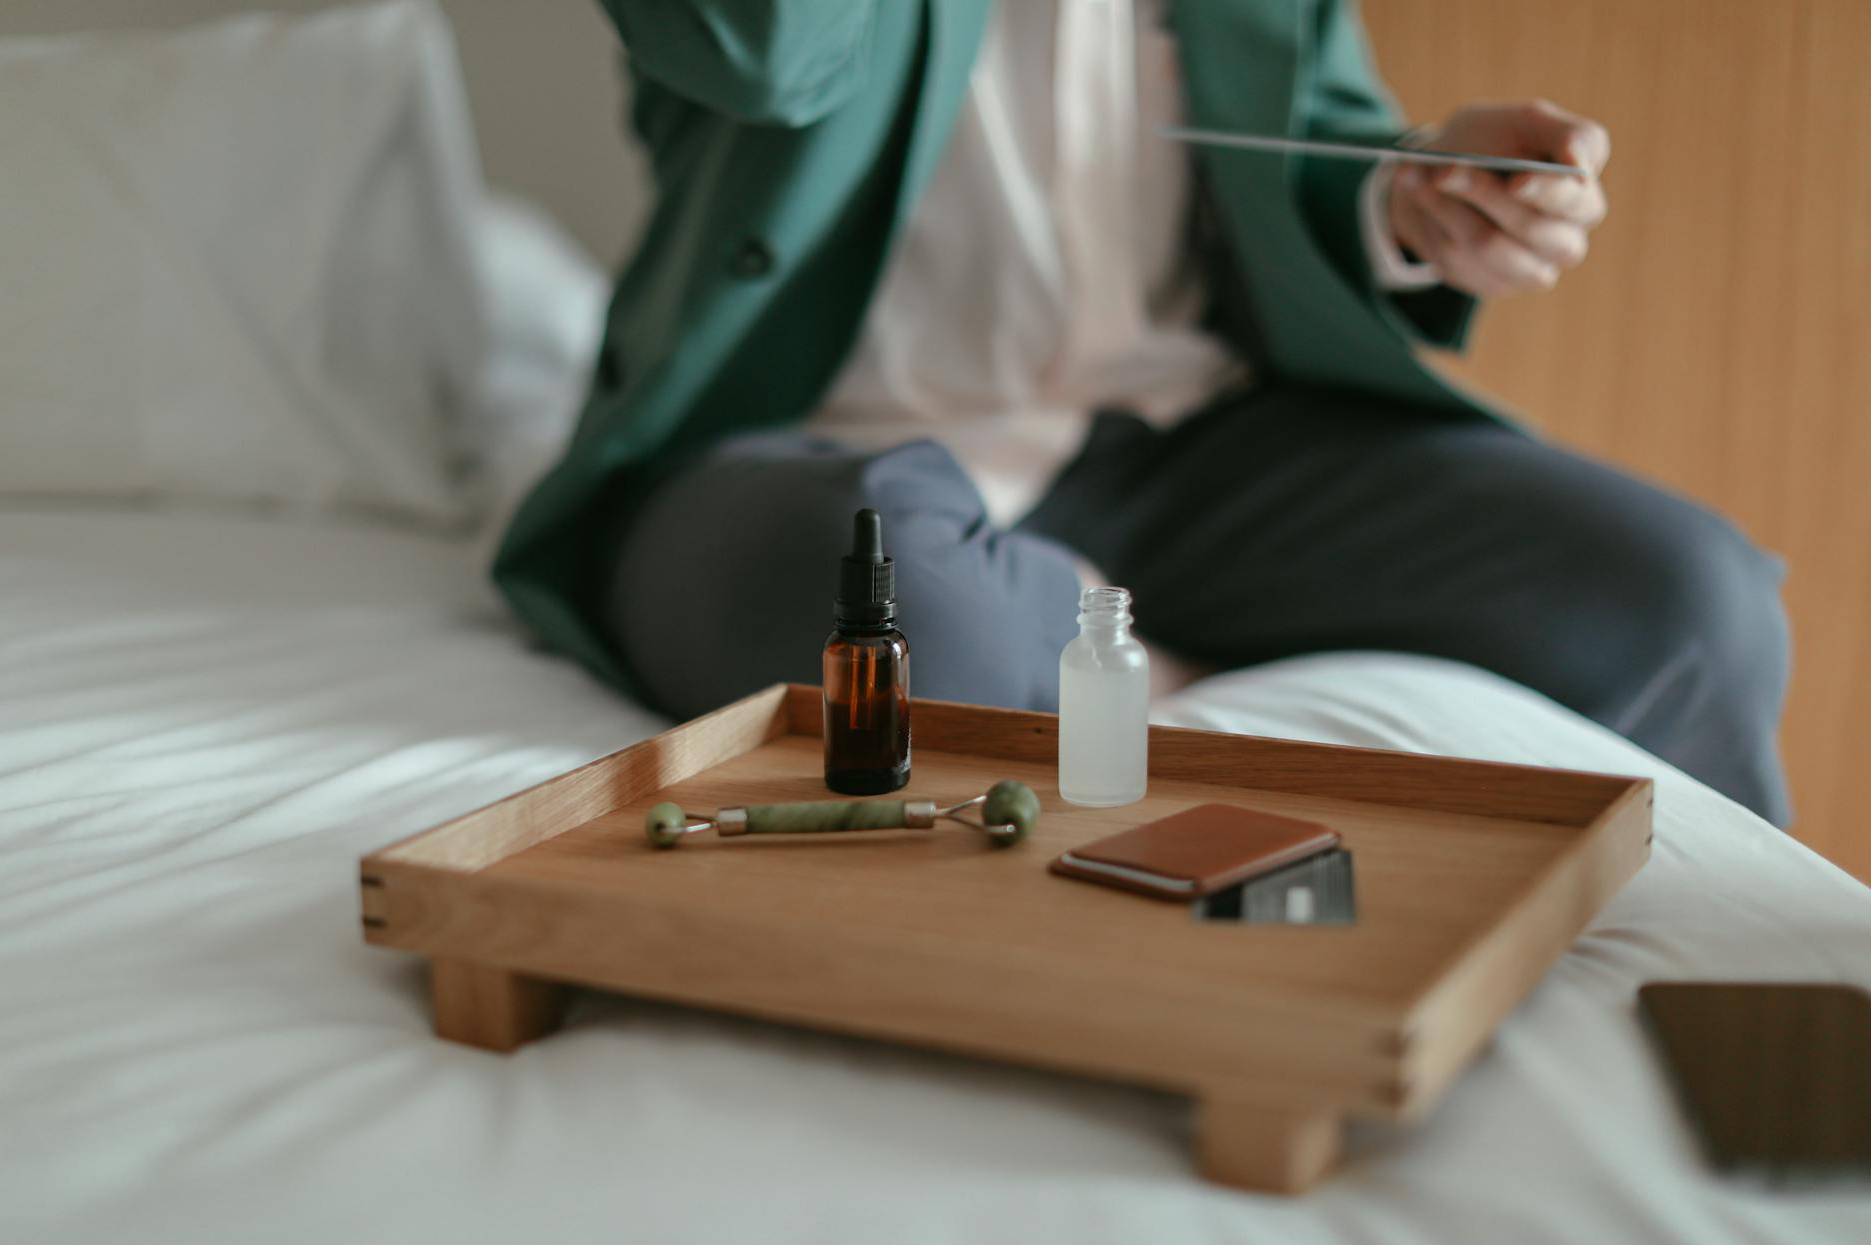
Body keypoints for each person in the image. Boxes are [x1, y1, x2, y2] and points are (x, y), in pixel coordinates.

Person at [495, 0, 1791, 825]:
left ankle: (1758, 1035)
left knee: (1683, 600)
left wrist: (1410, 201)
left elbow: (1306, 126)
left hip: (1189, 439)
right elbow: (763, 51)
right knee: (902, 620)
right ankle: (1089, 658)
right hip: (816, 450)